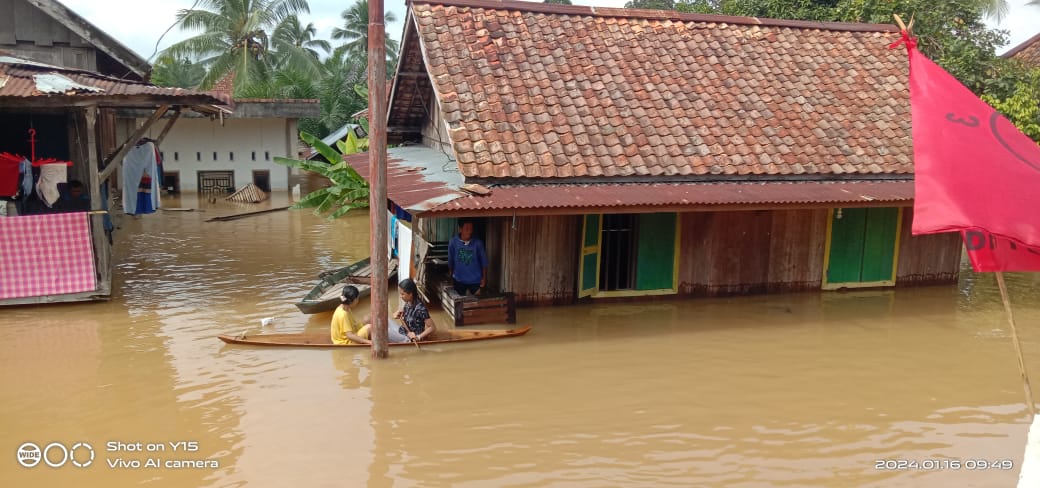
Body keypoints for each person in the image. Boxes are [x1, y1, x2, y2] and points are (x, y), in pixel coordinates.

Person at [447, 219, 488, 295]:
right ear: (460, 229)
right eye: (467, 229)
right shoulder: (453, 242)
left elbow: (484, 262)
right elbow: (450, 261)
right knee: (460, 304)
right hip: (459, 280)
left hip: (475, 280)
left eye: (471, 229)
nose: (469, 231)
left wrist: (484, 278)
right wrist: (451, 277)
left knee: (475, 304)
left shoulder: (478, 243)